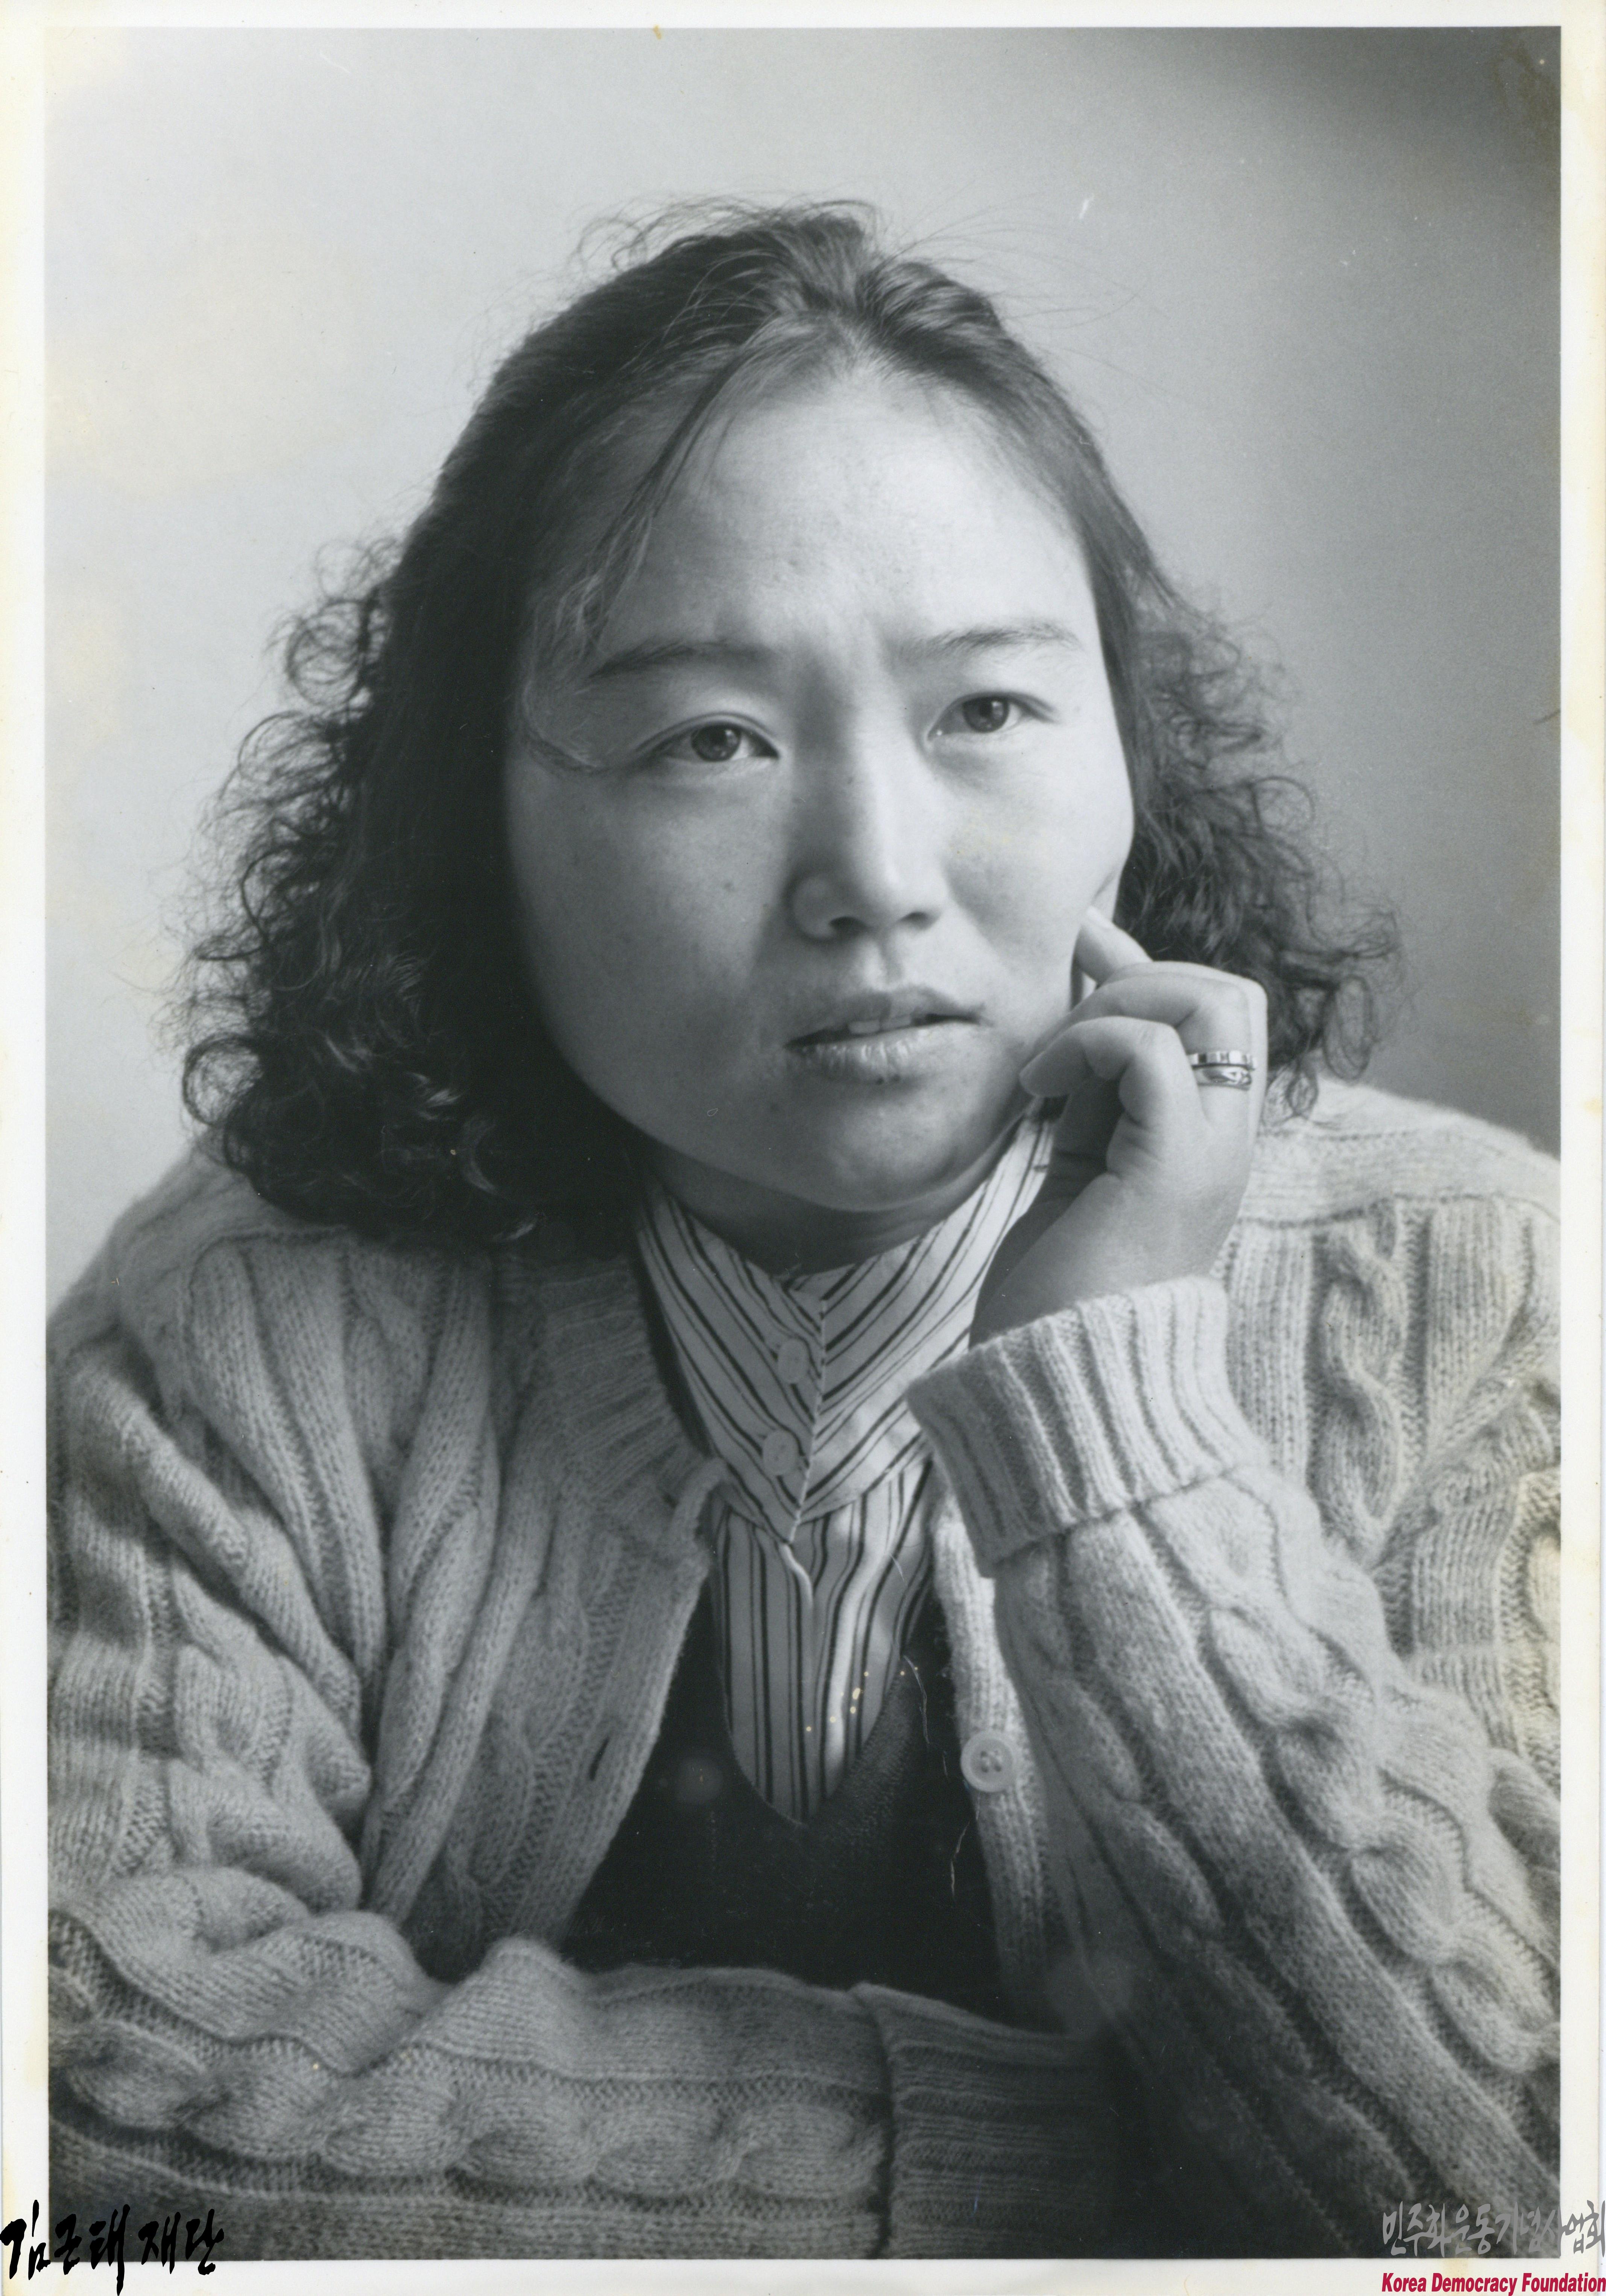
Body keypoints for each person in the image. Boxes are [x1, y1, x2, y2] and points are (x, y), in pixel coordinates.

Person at [47, 205, 1559, 2261]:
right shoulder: (242, 1322)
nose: (876, 875)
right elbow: (89, 2101)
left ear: (1132, 751)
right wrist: (1031, 2170)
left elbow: (1507, 2208)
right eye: (714, 741)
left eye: (987, 713)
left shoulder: (1476, 1285)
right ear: (473, 824)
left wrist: (1113, 1405)